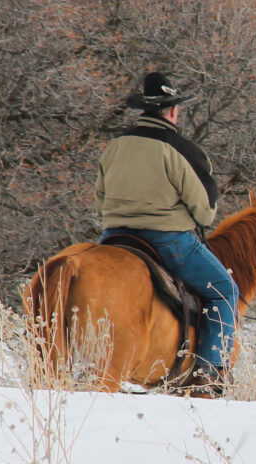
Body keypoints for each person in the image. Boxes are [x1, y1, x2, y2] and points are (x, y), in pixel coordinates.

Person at [95, 71, 239, 387]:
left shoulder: (115, 146)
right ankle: (208, 374)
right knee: (225, 292)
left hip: (114, 239)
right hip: (168, 241)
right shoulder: (181, 149)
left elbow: (100, 197)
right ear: (172, 111)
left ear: (145, 109)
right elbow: (205, 212)